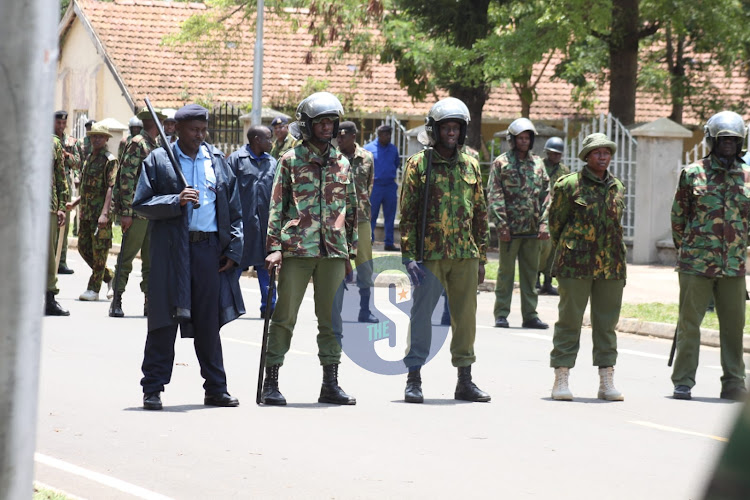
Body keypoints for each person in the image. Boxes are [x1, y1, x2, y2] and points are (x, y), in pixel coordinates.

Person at [132, 103, 245, 410]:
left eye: (203, 129)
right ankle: (152, 388)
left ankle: (216, 388)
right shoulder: (159, 160)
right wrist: (175, 200)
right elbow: (141, 203)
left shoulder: (216, 160)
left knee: (209, 322)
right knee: (163, 320)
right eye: (193, 130)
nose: (200, 135)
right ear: (176, 129)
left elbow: (234, 210)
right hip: (170, 250)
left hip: (208, 250)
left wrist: (234, 248)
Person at [261, 92, 358, 406]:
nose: (328, 127)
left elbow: (352, 209)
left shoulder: (343, 162)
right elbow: (276, 206)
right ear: (307, 125)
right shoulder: (290, 160)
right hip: (297, 249)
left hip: (333, 251)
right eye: (321, 122)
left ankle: (330, 384)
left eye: (331, 122)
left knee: (332, 320)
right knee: (284, 316)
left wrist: (350, 252)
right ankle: (271, 382)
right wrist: (274, 247)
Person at [399, 97, 490, 403]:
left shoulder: (471, 165)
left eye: (456, 128)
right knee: (422, 316)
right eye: (446, 128)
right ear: (434, 130)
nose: (451, 133)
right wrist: (409, 257)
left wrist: (481, 258)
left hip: (464, 253)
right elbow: (407, 216)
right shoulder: (419, 165)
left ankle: (465, 379)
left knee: (465, 319)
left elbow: (480, 213)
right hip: (430, 254)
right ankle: (414, 378)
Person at [670, 111, 750, 402]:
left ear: (741, 142)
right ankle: (683, 381)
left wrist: (740, 249)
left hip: (734, 266)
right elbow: (679, 218)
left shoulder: (747, 177)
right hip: (695, 264)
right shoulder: (693, 173)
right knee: (689, 324)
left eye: (733, 139)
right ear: (712, 140)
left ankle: (733, 382)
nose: (728, 144)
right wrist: (691, 250)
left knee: (733, 327)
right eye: (723, 139)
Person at [548, 133, 626, 401]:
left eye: (606, 152)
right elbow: (556, 224)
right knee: (570, 321)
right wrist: (569, 250)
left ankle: (606, 381)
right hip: (575, 265)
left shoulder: (617, 187)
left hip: (611, 266)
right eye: (597, 152)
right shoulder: (569, 185)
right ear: (586, 156)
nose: (603, 157)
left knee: (606, 324)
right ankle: (561, 377)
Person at [487, 118, 550, 329]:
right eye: (520, 138)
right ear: (512, 140)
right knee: (506, 275)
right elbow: (494, 194)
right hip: (509, 232)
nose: (524, 141)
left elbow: (546, 196)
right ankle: (501, 314)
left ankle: (530, 315)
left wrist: (544, 224)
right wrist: (501, 225)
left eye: (527, 138)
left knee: (530, 276)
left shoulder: (539, 164)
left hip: (532, 232)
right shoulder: (501, 163)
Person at [109, 107, 164, 317]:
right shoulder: (137, 143)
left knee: (151, 260)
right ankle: (117, 299)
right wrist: (126, 211)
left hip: (152, 211)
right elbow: (127, 178)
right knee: (126, 258)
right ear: (153, 122)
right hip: (137, 211)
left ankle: (149, 301)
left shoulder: (155, 144)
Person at [227, 125, 278, 317]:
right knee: (235, 266)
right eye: (268, 138)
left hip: (265, 226)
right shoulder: (236, 160)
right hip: (242, 225)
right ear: (257, 139)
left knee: (266, 267)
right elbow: (226, 191)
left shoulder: (273, 163)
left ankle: (269, 307)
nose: (271, 142)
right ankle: (228, 305)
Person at [66, 123, 117, 302]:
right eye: (93, 136)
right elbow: (88, 188)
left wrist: (105, 214)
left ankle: (93, 289)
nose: (96, 139)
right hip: (86, 213)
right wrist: (76, 202)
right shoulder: (89, 158)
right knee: (83, 248)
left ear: (106, 139)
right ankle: (110, 276)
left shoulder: (109, 160)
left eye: (100, 136)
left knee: (100, 251)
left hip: (100, 215)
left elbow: (111, 188)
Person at [336, 120, 378, 323]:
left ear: (354, 136)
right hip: (337, 218)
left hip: (360, 218)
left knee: (365, 265)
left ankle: (365, 309)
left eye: (343, 135)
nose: (339, 139)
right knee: (335, 264)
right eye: (338, 136)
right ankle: (335, 310)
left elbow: (369, 186)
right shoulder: (333, 158)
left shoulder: (367, 157)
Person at [537, 136, 570, 296]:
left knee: (553, 251)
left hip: (556, 215)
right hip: (540, 212)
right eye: (553, 153)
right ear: (547, 152)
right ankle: (534, 280)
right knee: (539, 249)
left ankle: (547, 282)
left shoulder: (564, 170)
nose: (556, 156)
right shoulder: (539, 166)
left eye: (558, 154)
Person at [53, 110, 81, 275]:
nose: (61, 126)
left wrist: (65, 155)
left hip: (64, 185)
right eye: (58, 123)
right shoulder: (48, 140)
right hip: (50, 185)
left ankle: (61, 261)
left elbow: (77, 163)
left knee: (64, 222)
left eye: (64, 123)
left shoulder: (71, 142)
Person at [365, 124, 401, 251]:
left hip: (390, 186)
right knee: (371, 215)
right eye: (385, 134)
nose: (388, 137)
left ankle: (389, 243)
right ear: (379, 135)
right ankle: (369, 241)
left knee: (390, 216)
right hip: (375, 186)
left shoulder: (393, 149)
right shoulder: (369, 148)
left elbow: (396, 163)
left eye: (389, 134)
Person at [45, 136, 70, 316]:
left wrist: (62, 206)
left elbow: (61, 176)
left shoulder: (53, 143)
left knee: (48, 255)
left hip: (48, 207)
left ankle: (50, 298)